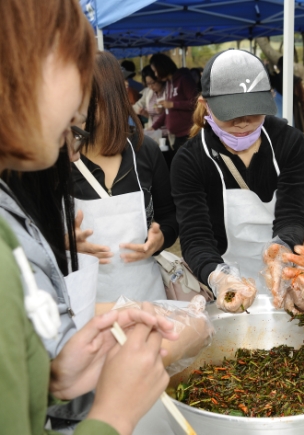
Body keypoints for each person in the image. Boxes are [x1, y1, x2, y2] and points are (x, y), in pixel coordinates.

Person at [0, 0, 179, 433]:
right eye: (71, 62)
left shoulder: (144, 154)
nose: (79, 109)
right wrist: (111, 418)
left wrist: (53, 378)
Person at [171, 50, 304, 313]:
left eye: (253, 111)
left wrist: (282, 253)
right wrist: (220, 277)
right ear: (206, 104)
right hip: (222, 279)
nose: (243, 122)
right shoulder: (190, 159)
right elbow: (196, 238)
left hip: (285, 278)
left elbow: (293, 214)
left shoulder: (289, 142)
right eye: (231, 113)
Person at [72, 51, 178, 303]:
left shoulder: (145, 151)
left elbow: (171, 216)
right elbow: (35, 234)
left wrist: (160, 238)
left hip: (148, 299)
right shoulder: (58, 161)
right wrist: (63, 243)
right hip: (86, 304)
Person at [149, 53, 199, 165]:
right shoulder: (169, 84)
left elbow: (195, 103)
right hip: (177, 137)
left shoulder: (184, 79)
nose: (156, 75)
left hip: (188, 134)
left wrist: (172, 104)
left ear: (162, 67)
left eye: (156, 71)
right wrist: (154, 127)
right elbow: (168, 112)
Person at [269, 56, 304, 133]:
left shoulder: (273, 80)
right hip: (295, 114)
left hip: (276, 114)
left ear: (278, 67)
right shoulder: (296, 81)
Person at [132, 65, 167, 132]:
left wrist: (164, 110)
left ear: (159, 78)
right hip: (154, 132)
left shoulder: (168, 90)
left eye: (153, 83)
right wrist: (143, 112)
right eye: (148, 84)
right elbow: (136, 106)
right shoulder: (148, 93)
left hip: (169, 133)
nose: (151, 86)